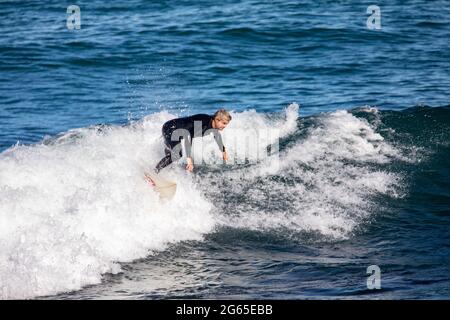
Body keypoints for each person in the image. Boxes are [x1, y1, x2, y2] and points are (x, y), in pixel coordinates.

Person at [154, 109, 231, 173]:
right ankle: (155, 171)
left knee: (171, 156)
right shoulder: (203, 120)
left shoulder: (213, 126)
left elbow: (216, 135)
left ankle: (162, 174)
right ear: (217, 119)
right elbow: (188, 135)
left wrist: (224, 152)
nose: (225, 126)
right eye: (224, 123)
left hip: (177, 132)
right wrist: (189, 159)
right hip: (171, 128)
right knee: (177, 155)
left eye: (226, 124)